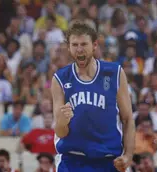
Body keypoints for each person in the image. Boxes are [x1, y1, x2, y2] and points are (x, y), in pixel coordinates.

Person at [51, 22, 135, 172]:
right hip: (72, 160)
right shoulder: (60, 79)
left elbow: (127, 118)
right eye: (74, 45)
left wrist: (128, 155)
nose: (79, 49)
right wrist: (62, 122)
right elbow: (60, 132)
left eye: (84, 44)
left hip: (109, 160)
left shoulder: (114, 73)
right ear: (69, 47)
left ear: (94, 45)